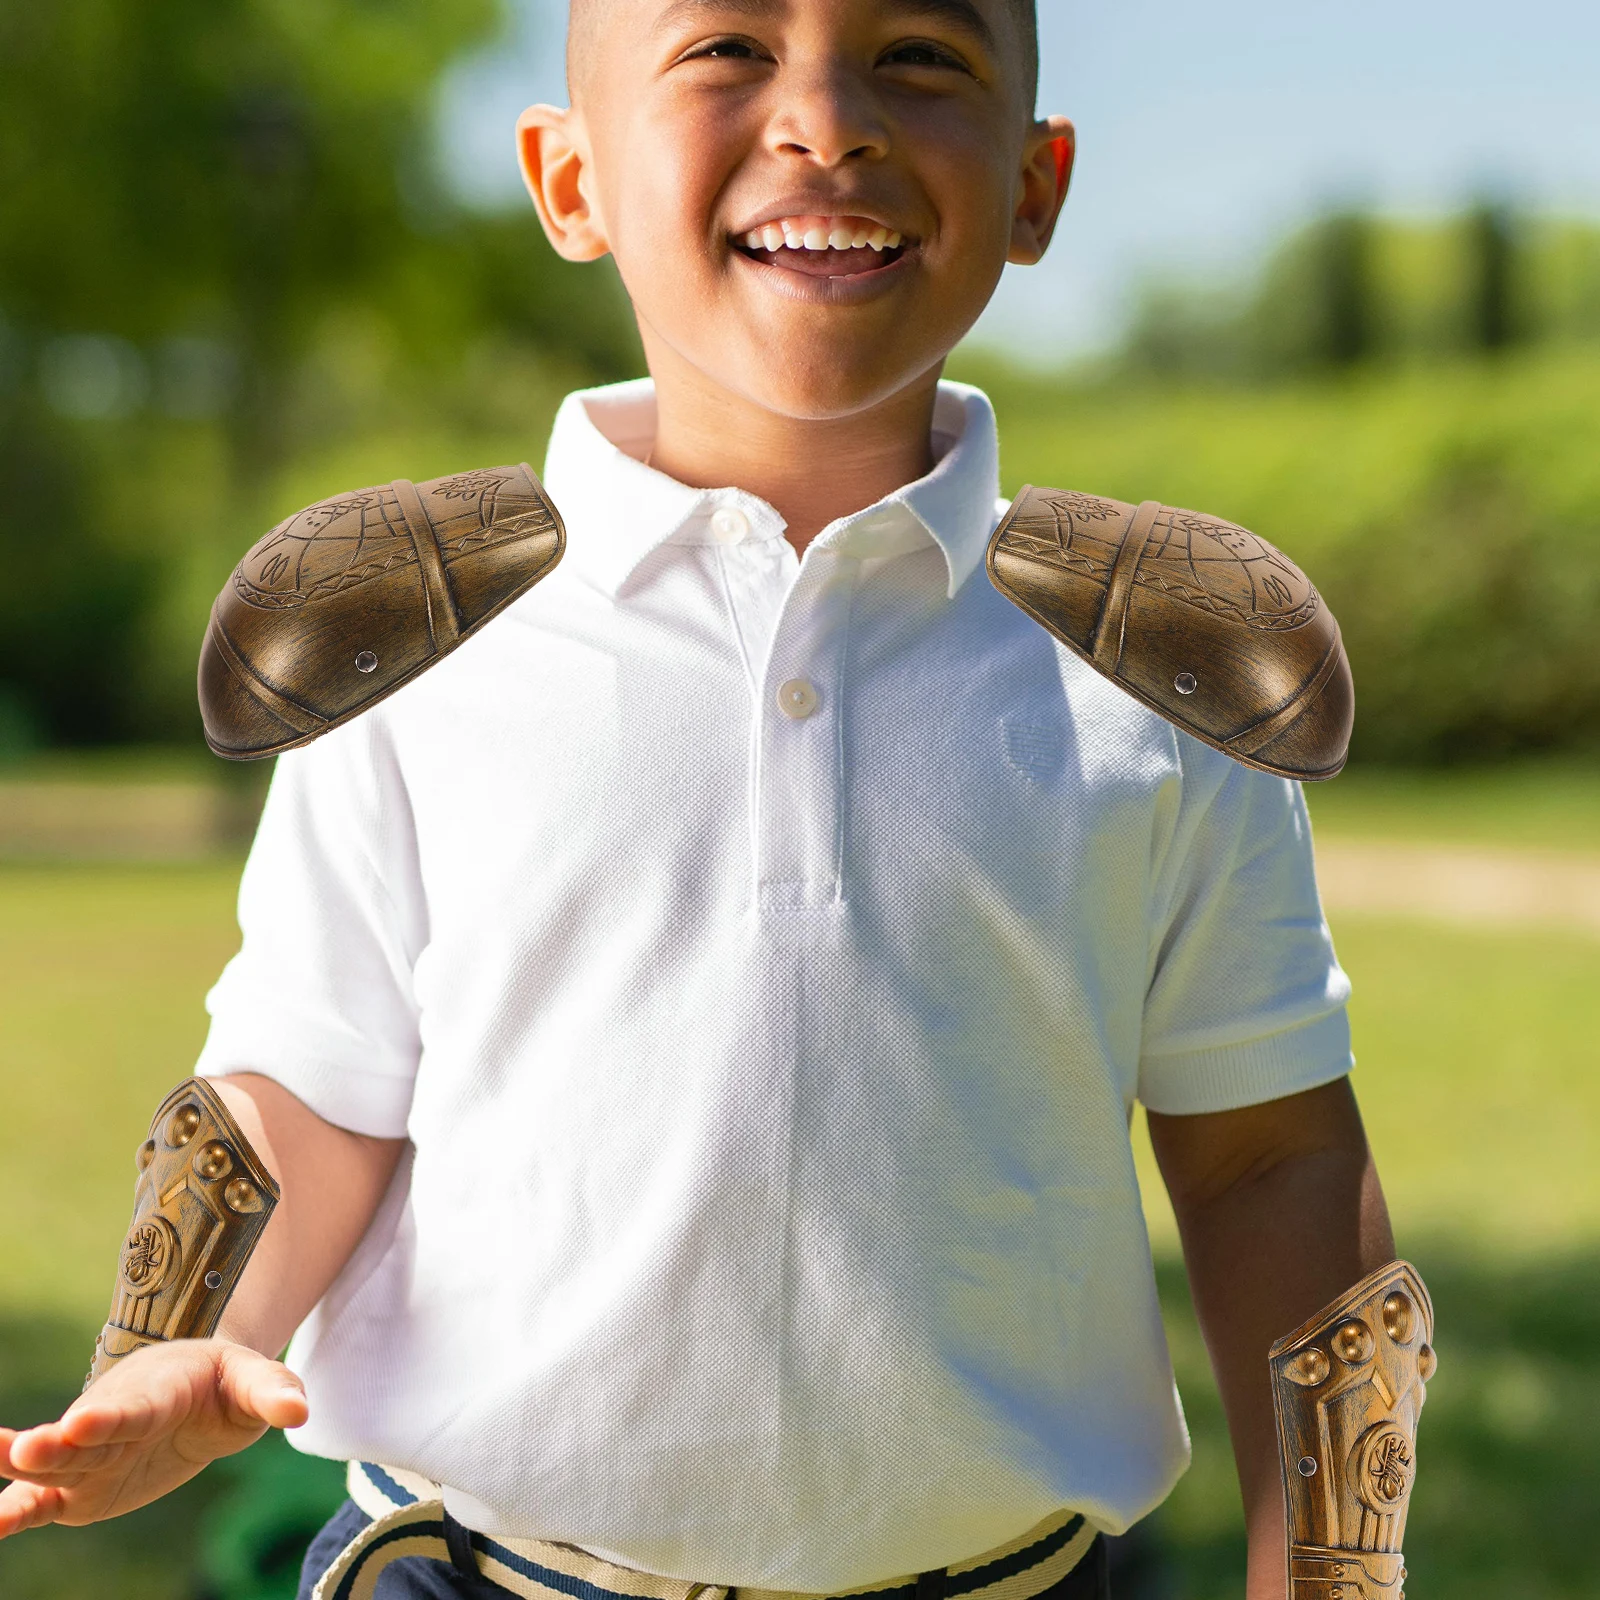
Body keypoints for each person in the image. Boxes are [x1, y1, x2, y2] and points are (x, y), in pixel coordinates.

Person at [0, 3, 1397, 1598]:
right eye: (729, 48)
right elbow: (308, 1090)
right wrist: (173, 1343)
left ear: (1036, 182)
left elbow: (1270, 1157)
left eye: (920, 57)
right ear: (570, 179)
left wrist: (1335, 1569)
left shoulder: (1165, 665)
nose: (826, 119)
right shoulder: (412, 636)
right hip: (468, 1569)